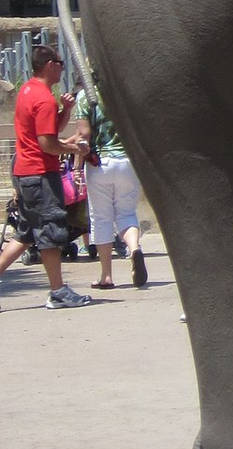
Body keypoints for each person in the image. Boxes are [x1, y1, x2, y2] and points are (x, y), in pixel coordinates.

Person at [8, 43, 91, 310]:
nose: (62, 69)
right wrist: (74, 147)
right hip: (40, 175)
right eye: (60, 63)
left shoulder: (28, 90)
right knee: (50, 233)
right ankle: (57, 291)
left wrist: (64, 111)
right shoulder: (43, 98)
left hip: (26, 173)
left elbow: (44, 132)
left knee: (25, 234)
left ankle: (58, 290)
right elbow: (48, 144)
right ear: (50, 65)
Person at [74, 76, 147, 290]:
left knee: (101, 217)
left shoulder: (85, 96)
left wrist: (78, 165)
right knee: (127, 213)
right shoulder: (124, 90)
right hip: (127, 161)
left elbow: (84, 135)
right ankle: (134, 248)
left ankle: (106, 275)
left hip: (99, 163)